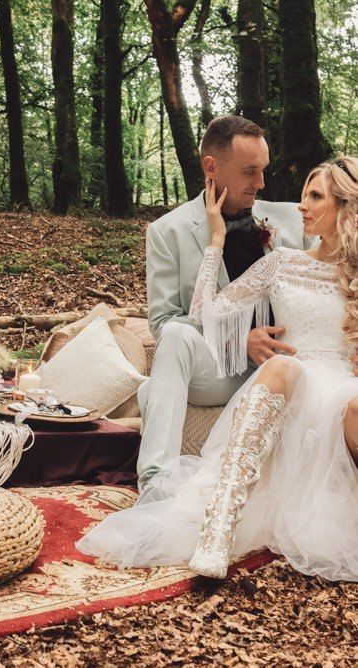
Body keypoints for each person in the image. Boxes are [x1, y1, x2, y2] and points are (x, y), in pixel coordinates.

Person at [77, 156, 358, 582]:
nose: (301, 205)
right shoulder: (282, 262)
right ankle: (219, 528)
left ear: (345, 208)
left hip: (342, 390)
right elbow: (205, 311)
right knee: (283, 367)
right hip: (291, 385)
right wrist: (215, 243)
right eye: (302, 195)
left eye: (315, 196)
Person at [137, 116, 311, 491]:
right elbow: (164, 321)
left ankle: (156, 397)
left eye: (264, 170)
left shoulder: (293, 220)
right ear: (211, 167)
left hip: (290, 366)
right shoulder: (168, 232)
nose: (261, 183)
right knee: (174, 337)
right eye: (250, 171)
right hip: (219, 370)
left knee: (152, 391)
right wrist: (239, 341)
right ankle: (156, 484)